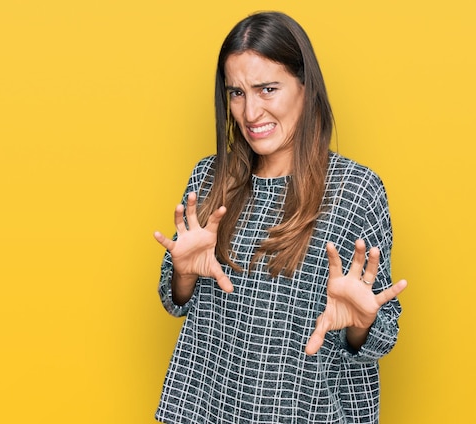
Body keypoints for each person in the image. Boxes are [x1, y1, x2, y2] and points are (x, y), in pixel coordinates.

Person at [152, 11, 407, 423]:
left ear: (306, 87)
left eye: (267, 89)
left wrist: (361, 323)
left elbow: (381, 335)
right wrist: (182, 274)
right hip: (208, 409)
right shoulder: (211, 177)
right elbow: (174, 302)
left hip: (308, 410)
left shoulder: (355, 189)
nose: (251, 112)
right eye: (236, 93)